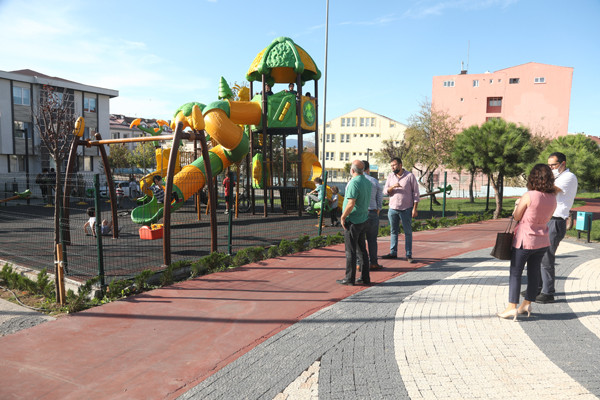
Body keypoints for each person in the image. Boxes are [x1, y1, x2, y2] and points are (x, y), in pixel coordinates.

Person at [498, 164, 559, 321]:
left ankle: (511, 307)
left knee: (515, 273)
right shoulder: (553, 198)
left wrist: (517, 205)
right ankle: (526, 304)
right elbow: (547, 217)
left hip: (525, 240)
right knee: (533, 273)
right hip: (542, 240)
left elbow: (517, 216)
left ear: (533, 178)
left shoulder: (529, 195)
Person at [535, 152, 578, 303]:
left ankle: (548, 292)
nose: (551, 168)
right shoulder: (555, 177)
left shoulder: (569, 177)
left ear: (563, 163)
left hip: (555, 220)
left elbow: (549, 191)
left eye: (553, 165)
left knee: (547, 256)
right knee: (537, 254)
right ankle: (537, 287)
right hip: (545, 219)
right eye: (549, 165)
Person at [337, 160, 372, 286]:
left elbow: (351, 203)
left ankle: (349, 278)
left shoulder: (354, 183)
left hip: (353, 220)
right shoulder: (367, 182)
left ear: (352, 170)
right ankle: (365, 277)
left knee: (350, 251)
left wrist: (343, 216)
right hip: (363, 219)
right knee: (362, 250)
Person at [382, 157, 420, 263]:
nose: (392, 167)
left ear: (400, 165)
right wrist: (393, 187)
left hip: (406, 209)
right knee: (393, 231)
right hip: (393, 209)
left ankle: (408, 254)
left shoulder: (410, 176)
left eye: (394, 165)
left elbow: (416, 193)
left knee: (408, 232)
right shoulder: (390, 176)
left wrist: (415, 209)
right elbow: (385, 191)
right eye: (391, 166)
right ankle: (393, 252)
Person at [363, 160, 383, 270]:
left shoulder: (353, 181)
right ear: (368, 169)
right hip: (372, 212)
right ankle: (373, 262)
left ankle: (360, 263)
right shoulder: (374, 181)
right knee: (372, 240)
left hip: (360, 214)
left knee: (359, 240)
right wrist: (378, 210)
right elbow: (379, 198)